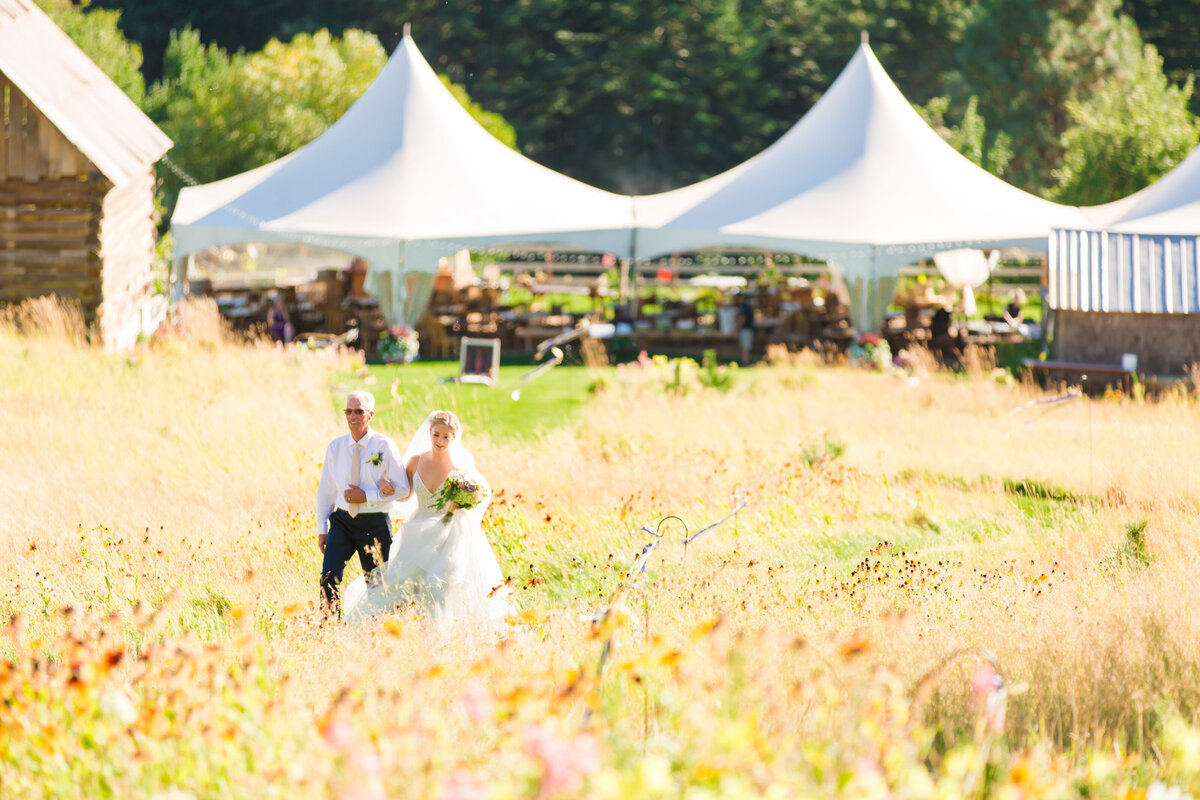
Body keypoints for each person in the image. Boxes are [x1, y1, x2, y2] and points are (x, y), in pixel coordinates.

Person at [342, 410, 512, 634]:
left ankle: (436, 635)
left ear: (454, 437)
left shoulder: (460, 470)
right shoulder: (415, 461)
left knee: (439, 585)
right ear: (429, 433)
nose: (440, 441)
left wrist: (463, 502)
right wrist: (385, 483)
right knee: (397, 583)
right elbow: (404, 495)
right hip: (418, 530)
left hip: (447, 534)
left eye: (446, 437)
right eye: (436, 435)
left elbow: (481, 493)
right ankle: (373, 629)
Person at [316, 390, 408, 619]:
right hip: (342, 521)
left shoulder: (384, 445)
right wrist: (322, 528)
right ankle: (329, 629)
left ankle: (381, 630)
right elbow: (326, 490)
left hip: (375, 523)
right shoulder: (335, 448)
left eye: (359, 411)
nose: (352, 416)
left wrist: (367, 496)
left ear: (371, 415)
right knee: (329, 576)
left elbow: (403, 488)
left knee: (379, 585)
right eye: (348, 411)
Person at [737, 293, 756, 364]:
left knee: (745, 347)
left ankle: (745, 362)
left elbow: (742, 318)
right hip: (746, 329)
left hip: (745, 329)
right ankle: (744, 361)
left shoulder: (743, 306)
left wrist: (737, 329)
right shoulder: (747, 306)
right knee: (745, 346)